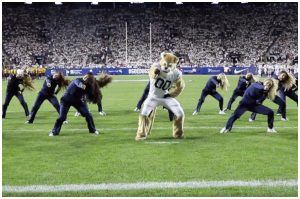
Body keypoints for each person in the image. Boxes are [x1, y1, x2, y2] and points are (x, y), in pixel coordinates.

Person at [136, 52, 185, 140]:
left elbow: (180, 86)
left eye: (169, 66)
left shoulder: (176, 73)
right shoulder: (156, 67)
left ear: (174, 65)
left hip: (165, 96)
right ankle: (141, 134)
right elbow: (152, 74)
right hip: (153, 97)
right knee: (144, 113)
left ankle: (178, 133)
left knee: (180, 113)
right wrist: (156, 73)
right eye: (165, 64)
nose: (166, 67)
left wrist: (171, 94)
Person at [49, 72, 101, 136]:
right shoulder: (77, 80)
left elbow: (91, 94)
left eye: (87, 77)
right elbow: (77, 83)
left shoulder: (88, 86)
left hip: (78, 101)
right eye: (85, 76)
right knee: (62, 117)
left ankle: (92, 130)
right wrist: (81, 85)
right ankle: (54, 132)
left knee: (88, 114)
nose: (85, 77)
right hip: (65, 101)